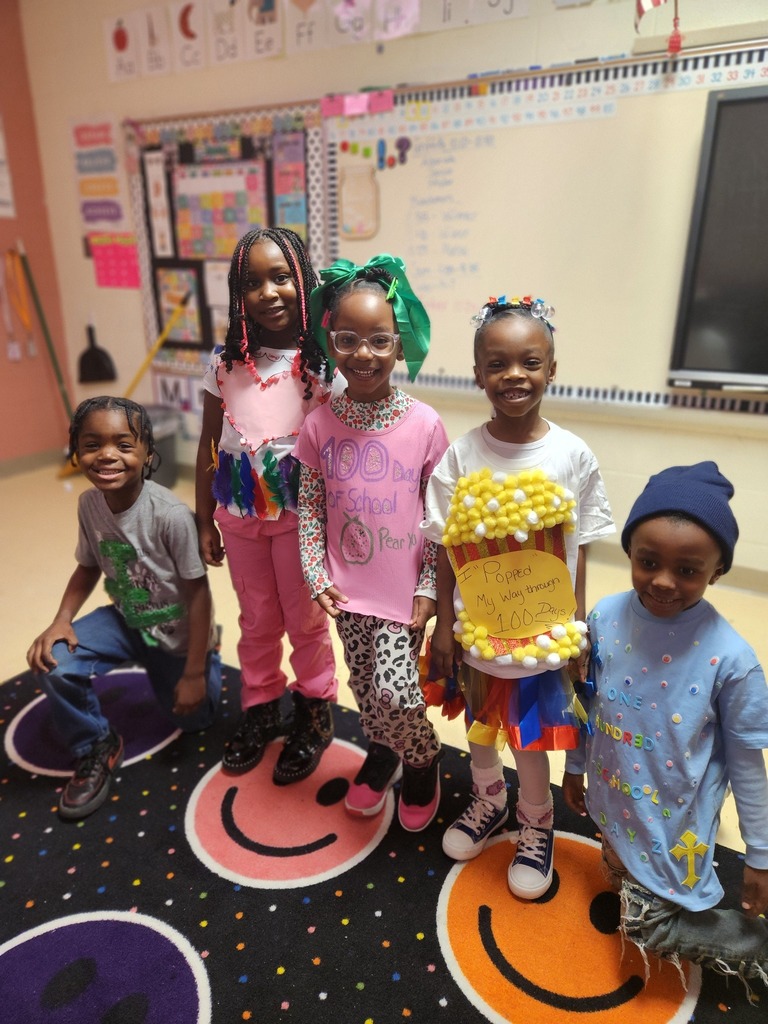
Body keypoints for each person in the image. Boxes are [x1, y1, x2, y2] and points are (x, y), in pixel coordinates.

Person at [422, 295, 614, 896]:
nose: (514, 375)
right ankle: (489, 800)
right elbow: (445, 547)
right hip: (477, 630)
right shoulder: (461, 456)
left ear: (552, 369)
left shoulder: (572, 456)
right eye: (497, 363)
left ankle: (537, 821)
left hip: (542, 637)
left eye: (530, 362)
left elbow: (577, 551)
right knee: (480, 726)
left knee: (531, 738)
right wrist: (445, 626)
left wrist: (577, 629)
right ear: (477, 373)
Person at [563, 462, 768, 988]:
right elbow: (587, 701)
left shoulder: (732, 660)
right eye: (648, 561)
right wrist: (575, 767)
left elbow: (748, 766)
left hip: (672, 825)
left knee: (648, 926)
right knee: (616, 869)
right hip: (614, 802)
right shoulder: (603, 618)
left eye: (688, 570)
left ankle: (760, 946)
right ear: (630, 551)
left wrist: (760, 856)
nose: (662, 581)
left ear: (716, 572)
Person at [293, 255, 449, 831]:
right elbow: (311, 506)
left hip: (402, 596)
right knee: (364, 687)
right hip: (346, 592)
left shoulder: (425, 424)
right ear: (330, 341)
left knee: (398, 690)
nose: (364, 353)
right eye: (348, 340)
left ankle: (422, 758)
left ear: (400, 344)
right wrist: (316, 573)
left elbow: (438, 517)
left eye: (380, 340)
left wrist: (429, 586)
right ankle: (382, 751)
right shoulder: (318, 424)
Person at [27, 397, 222, 820]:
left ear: (148, 453)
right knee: (52, 661)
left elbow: (199, 594)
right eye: (92, 444)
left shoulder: (170, 515)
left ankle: (209, 655)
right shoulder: (88, 504)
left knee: (196, 720)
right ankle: (95, 743)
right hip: (127, 619)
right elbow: (87, 566)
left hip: (177, 633)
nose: (106, 455)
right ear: (76, 453)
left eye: (123, 444)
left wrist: (193, 673)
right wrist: (61, 620)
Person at [195, 227, 339, 786]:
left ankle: (315, 709)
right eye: (252, 282)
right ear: (238, 294)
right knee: (256, 617)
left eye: (281, 277)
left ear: (303, 280)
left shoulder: (321, 367)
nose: (268, 292)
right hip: (239, 516)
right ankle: (261, 706)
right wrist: (203, 519)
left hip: (301, 520)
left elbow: (341, 454)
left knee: (304, 620)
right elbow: (209, 447)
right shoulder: (224, 364)